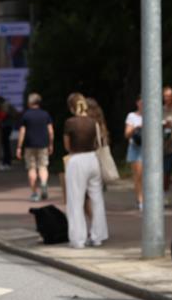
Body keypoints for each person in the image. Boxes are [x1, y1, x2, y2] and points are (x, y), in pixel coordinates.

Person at [63, 93, 108, 249]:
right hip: (93, 159)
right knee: (97, 200)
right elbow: (98, 142)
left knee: (75, 201)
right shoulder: (93, 122)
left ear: (71, 107)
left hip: (77, 160)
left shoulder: (70, 123)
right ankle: (98, 236)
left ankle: (78, 239)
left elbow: (67, 145)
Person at [16, 92, 55, 202]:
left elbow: (22, 132)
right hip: (43, 145)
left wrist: (19, 147)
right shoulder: (45, 114)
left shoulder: (26, 115)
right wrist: (51, 144)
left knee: (32, 168)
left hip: (29, 145)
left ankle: (34, 193)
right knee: (43, 166)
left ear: (30, 102)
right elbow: (51, 131)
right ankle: (43, 183)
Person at [125, 97, 144, 210]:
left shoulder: (153, 115)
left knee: (148, 175)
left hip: (149, 148)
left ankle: (148, 199)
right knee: (138, 176)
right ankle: (140, 200)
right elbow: (127, 134)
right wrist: (136, 127)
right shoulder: (131, 116)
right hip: (136, 147)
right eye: (141, 102)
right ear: (137, 103)